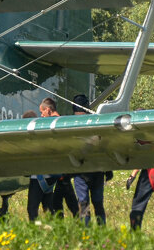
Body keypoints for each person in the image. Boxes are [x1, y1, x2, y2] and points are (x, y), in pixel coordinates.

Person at [71, 94, 109, 226]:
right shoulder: (71, 126)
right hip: (81, 172)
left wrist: (108, 169)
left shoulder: (96, 124)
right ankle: (85, 232)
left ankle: (101, 230)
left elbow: (104, 146)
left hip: (96, 170)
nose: (79, 116)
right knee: (83, 202)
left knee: (98, 202)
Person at [39, 97, 78, 217]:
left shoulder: (55, 124)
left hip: (62, 169)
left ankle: (78, 220)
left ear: (48, 110)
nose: (41, 116)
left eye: (42, 112)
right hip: (62, 168)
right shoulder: (62, 122)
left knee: (61, 200)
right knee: (64, 197)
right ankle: (78, 219)